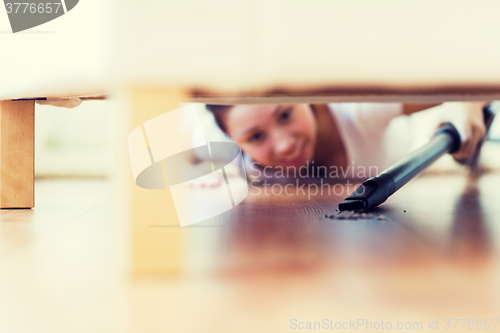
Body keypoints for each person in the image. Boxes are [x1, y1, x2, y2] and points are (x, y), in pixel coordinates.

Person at [204, 102, 490, 182]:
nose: (284, 145)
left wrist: (468, 102)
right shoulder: (224, 149)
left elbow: (475, 82)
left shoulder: (359, 111)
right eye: (255, 137)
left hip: (420, 142)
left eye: (286, 114)